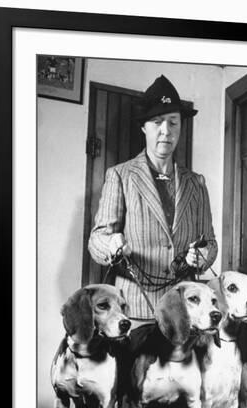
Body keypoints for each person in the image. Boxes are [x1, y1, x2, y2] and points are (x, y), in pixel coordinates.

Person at [88, 75, 218, 325]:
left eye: (173, 122)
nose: (165, 131)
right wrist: (111, 244)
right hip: (135, 308)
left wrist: (201, 255)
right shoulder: (120, 175)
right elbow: (96, 241)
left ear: (181, 127)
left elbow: (210, 243)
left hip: (185, 312)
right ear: (144, 127)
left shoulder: (197, 183)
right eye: (157, 122)